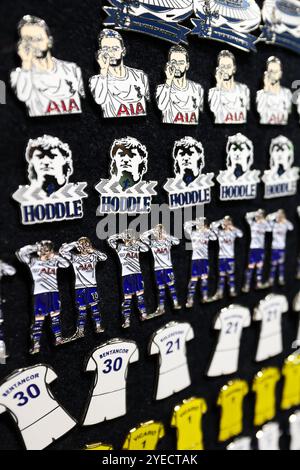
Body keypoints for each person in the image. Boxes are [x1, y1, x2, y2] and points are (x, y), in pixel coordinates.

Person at [11, 15, 84, 117]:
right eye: (27, 40)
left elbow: (83, 98)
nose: (33, 44)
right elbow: (23, 96)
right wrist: (26, 63)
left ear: (49, 41)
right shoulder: (19, 75)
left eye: (38, 39)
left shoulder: (72, 69)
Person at [16, 241, 69, 354]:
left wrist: (55, 255)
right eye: (43, 249)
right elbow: (21, 253)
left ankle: (58, 339)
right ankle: (36, 345)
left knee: (55, 318)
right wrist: (35, 247)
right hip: (40, 295)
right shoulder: (33, 261)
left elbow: (66, 264)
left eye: (48, 249)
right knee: (39, 321)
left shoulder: (54, 261)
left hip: (53, 293)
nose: (45, 251)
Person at [90, 29, 149, 118]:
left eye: (115, 49)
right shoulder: (96, 80)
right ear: (100, 52)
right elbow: (99, 100)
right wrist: (103, 71)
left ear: (123, 51)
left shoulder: (140, 76)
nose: (111, 54)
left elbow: (149, 101)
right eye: (106, 49)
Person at [59, 237, 107, 338]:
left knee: (95, 308)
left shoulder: (93, 256)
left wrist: (93, 250)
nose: (84, 246)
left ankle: (98, 326)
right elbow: (62, 251)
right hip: (79, 288)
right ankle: (80, 330)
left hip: (92, 286)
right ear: (79, 247)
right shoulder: (75, 257)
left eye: (86, 244)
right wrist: (74, 243)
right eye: (82, 244)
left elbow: (104, 257)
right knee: (81, 310)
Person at [108, 230, 149, 328]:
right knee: (127, 299)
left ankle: (143, 313)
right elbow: (110, 241)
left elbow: (146, 248)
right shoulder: (120, 247)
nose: (129, 237)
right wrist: (119, 235)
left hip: (137, 274)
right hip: (126, 276)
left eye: (130, 235)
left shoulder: (136, 246)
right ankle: (127, 319)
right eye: (127, 236)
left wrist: (136, 241)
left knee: (140, 296)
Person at [156, 45, 203, 125]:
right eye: (173, 62)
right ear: (168, 64)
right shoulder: (162, 89)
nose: (177, 67)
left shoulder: (197, 89)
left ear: (187, 66)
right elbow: (161, 106)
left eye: (181, 63)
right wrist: (169, 80)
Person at [141, 225, 181, 316]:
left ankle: (175, 303)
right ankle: (161, 308)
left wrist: (166, 235)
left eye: (161, 232)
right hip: (158, 269)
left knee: (171, 286)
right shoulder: (152, 243)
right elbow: (142, 237)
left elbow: (177, 241)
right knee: (160, 288)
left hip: (168, 268)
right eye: (158, 232)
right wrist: (152, 231)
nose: (159, 234)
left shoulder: (168, 241)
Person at [208, 50, 250, 124]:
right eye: (222, 67)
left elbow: (248, 111)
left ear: (234, 69)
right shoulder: (213, 92)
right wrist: (219, 84)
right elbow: (213, 109)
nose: (225, 70)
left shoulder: (244, 89)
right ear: (217, 69)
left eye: (228, 66)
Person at [184, 217, 217, 306]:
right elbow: (186, 225)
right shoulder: (193, 233)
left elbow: (214, 238)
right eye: (200, 224)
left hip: (205, 259)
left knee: (204, 279)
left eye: (203, 224)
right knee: (193, 279)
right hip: (195, 259)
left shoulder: (207, 234)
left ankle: (204, 297)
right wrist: (196, 222)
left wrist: (208, 230)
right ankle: (190, 299)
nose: (201, 226)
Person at [210, 216, 243, 300]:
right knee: (221, 276)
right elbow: (212, 226)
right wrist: (221, 220)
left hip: (230, 257)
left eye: (228, 222)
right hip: (221, 257)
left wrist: (232, 227)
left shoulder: (233, 233)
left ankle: (232, 291)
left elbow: (241, 234)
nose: (226, 224)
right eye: (225, 223)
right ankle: (219, 293)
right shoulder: (220, 232)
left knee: (230, 275)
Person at [256, 56, 292, 125]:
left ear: (280, 73)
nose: (273, 74)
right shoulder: (260, 94)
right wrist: (266, 88)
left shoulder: (287, 93)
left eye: (276, 71)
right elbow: (260, 110)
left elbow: (288, 111)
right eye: (271, 71)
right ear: (266, 73)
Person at [243, 210, 272, 292]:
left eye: (261, 216)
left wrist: (264, 221)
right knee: (250, 267)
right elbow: (247, 216)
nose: (259, 217)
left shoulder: (264, 225)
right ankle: (246, 285)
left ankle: (258, 284)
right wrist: (256, 213)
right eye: (258, 216)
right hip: (253, 248)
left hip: (260, 249)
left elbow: (270, 229)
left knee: (259, 267)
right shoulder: (253, 224)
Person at [266, 210, 294, 286]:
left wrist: (284, 220)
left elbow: (291, 227)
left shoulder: (285, 224)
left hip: (281, 247)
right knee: (273, 264)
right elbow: (267, 219)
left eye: (281, 215)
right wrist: (275, 214)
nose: (279, 217)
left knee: (281, 264)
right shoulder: (274, 224)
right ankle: (271, 279)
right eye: (279, 216)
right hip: (274, 247)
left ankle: (281, 279)